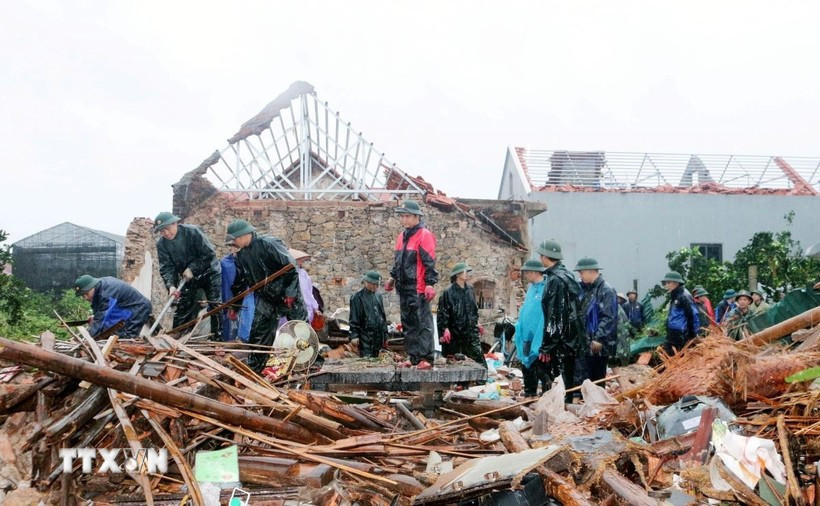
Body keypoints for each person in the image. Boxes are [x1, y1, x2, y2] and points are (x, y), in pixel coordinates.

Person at [227, 219, 306, 372]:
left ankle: (311, 362)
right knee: (258, 332)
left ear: (244, 235)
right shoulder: (241, 255)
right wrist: (234, 306)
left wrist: (290, 293)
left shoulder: (269, 243)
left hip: (287, 292)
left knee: (300, 329)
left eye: (235, 239)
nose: (234, 243)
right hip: (266, 296)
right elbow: (241, 281)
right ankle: (254, 368)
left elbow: (290, 268)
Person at [385, 200, 439, 369]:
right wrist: (392, 278)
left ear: (417, 216)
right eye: (402, 216)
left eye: (407, 216)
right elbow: (398, 262)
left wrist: (430, 283)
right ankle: (413, 356)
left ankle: (427, 357)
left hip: (419, 287)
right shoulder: (401, 237)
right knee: (408, 323)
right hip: (404, 286)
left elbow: (429, 262)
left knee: (423, 323)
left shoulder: (424, 235)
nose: (404, 220)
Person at [154, 212, 222, 336]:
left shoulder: (192, 232)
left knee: (215, 304)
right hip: (188, 278)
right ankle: (178, 335)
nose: (166, 233)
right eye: (162, 231)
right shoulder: (162, 244)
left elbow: (209, 254)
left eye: (168, 229)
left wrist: (192, 268)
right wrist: (171, 286)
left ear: (175, 223)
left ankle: (217, 338)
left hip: (209, 272)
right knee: (183, 304)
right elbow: (166, 267)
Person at [538, 239, 584, 392]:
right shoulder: (566, 276)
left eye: (541, 255)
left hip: (560, 341)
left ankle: (560, 411)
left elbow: (555, 317)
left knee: (559, 381)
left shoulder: (556, 280)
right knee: (567, 378)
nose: (540, 259)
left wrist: (547, 346)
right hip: (570, 339)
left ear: (545, 257)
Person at [574, 258, 618, 383]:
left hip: (598, 343)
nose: (580, 276)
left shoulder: (606, 290)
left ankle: (597, 402)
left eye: (581, 272)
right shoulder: (587, 289)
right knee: (583, 377)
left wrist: (599, 338)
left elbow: (608, 317)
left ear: (590, 271)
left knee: (597, 379)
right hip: (586, 341)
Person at [437, 263, 486, 368]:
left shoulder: (470, 289)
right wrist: (444, 328)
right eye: (464, 272)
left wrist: (477, 323)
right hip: (455, 331)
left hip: (470, 330)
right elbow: (443, 312)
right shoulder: (448, 292)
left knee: (478, 357)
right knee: (456, 360)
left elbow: (473, 309)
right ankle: (459, 383)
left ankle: (480, 382)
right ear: (458, 274)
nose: (467, 274)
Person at [74, 275, 152, 338]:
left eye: (86, 294)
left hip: (139, 308)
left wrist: (88, 339)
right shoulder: (100, 286)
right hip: (125, 309)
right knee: (108, 330)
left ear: (92, 286)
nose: (85, 298)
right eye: (82, 295)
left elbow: (102, 316)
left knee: (127, 337)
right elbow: (102, 312)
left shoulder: (107, 293)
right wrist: (96, 317)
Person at [514, 260, 548, 397]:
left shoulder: (546, 288)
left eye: (527, 272)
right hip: (527, 336)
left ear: (535, 272)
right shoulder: (532, 289)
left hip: (540, 337)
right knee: (527, 367)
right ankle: (530, 394)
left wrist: (541, 336)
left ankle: (547, 397)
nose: (526, 275)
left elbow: (544, 315)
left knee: (542, 368)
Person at [219, 240, 254, 342]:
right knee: (231, 328)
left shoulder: (248, 261)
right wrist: (229, 302)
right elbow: (224, 285)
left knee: (246, 323)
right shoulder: (225, 263)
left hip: (247, 296)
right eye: (233, 246)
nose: (235, 249)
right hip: (230, 297)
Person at [349, 271, 388, 358]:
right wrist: (354, 335)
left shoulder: (378, 296)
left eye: (377, 284)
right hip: (365, 336)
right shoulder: (357, 297)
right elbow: (354, 318)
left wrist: (385, 336)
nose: (376, 286)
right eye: (373, 284)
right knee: (367, 360)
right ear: (366, 282)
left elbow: (382, 317)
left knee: (376, 358)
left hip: (378, 335)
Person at [661, 271, 700, 355]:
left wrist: (693, 335)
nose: (666, 285)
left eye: (669, 282)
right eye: (665, 283)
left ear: (676, 282)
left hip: (682, 335)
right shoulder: (675, 295)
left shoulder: (684, 296)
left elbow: (693, 315)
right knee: (668, 357)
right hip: (672, 333)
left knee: (680, 359)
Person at [289, 249, 321, 324]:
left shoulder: (303, 274)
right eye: (298, 260)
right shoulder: (286, 275)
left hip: (306, 308)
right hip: (291, 310)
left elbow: (309, 293)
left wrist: (315, 308)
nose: (301, 262)